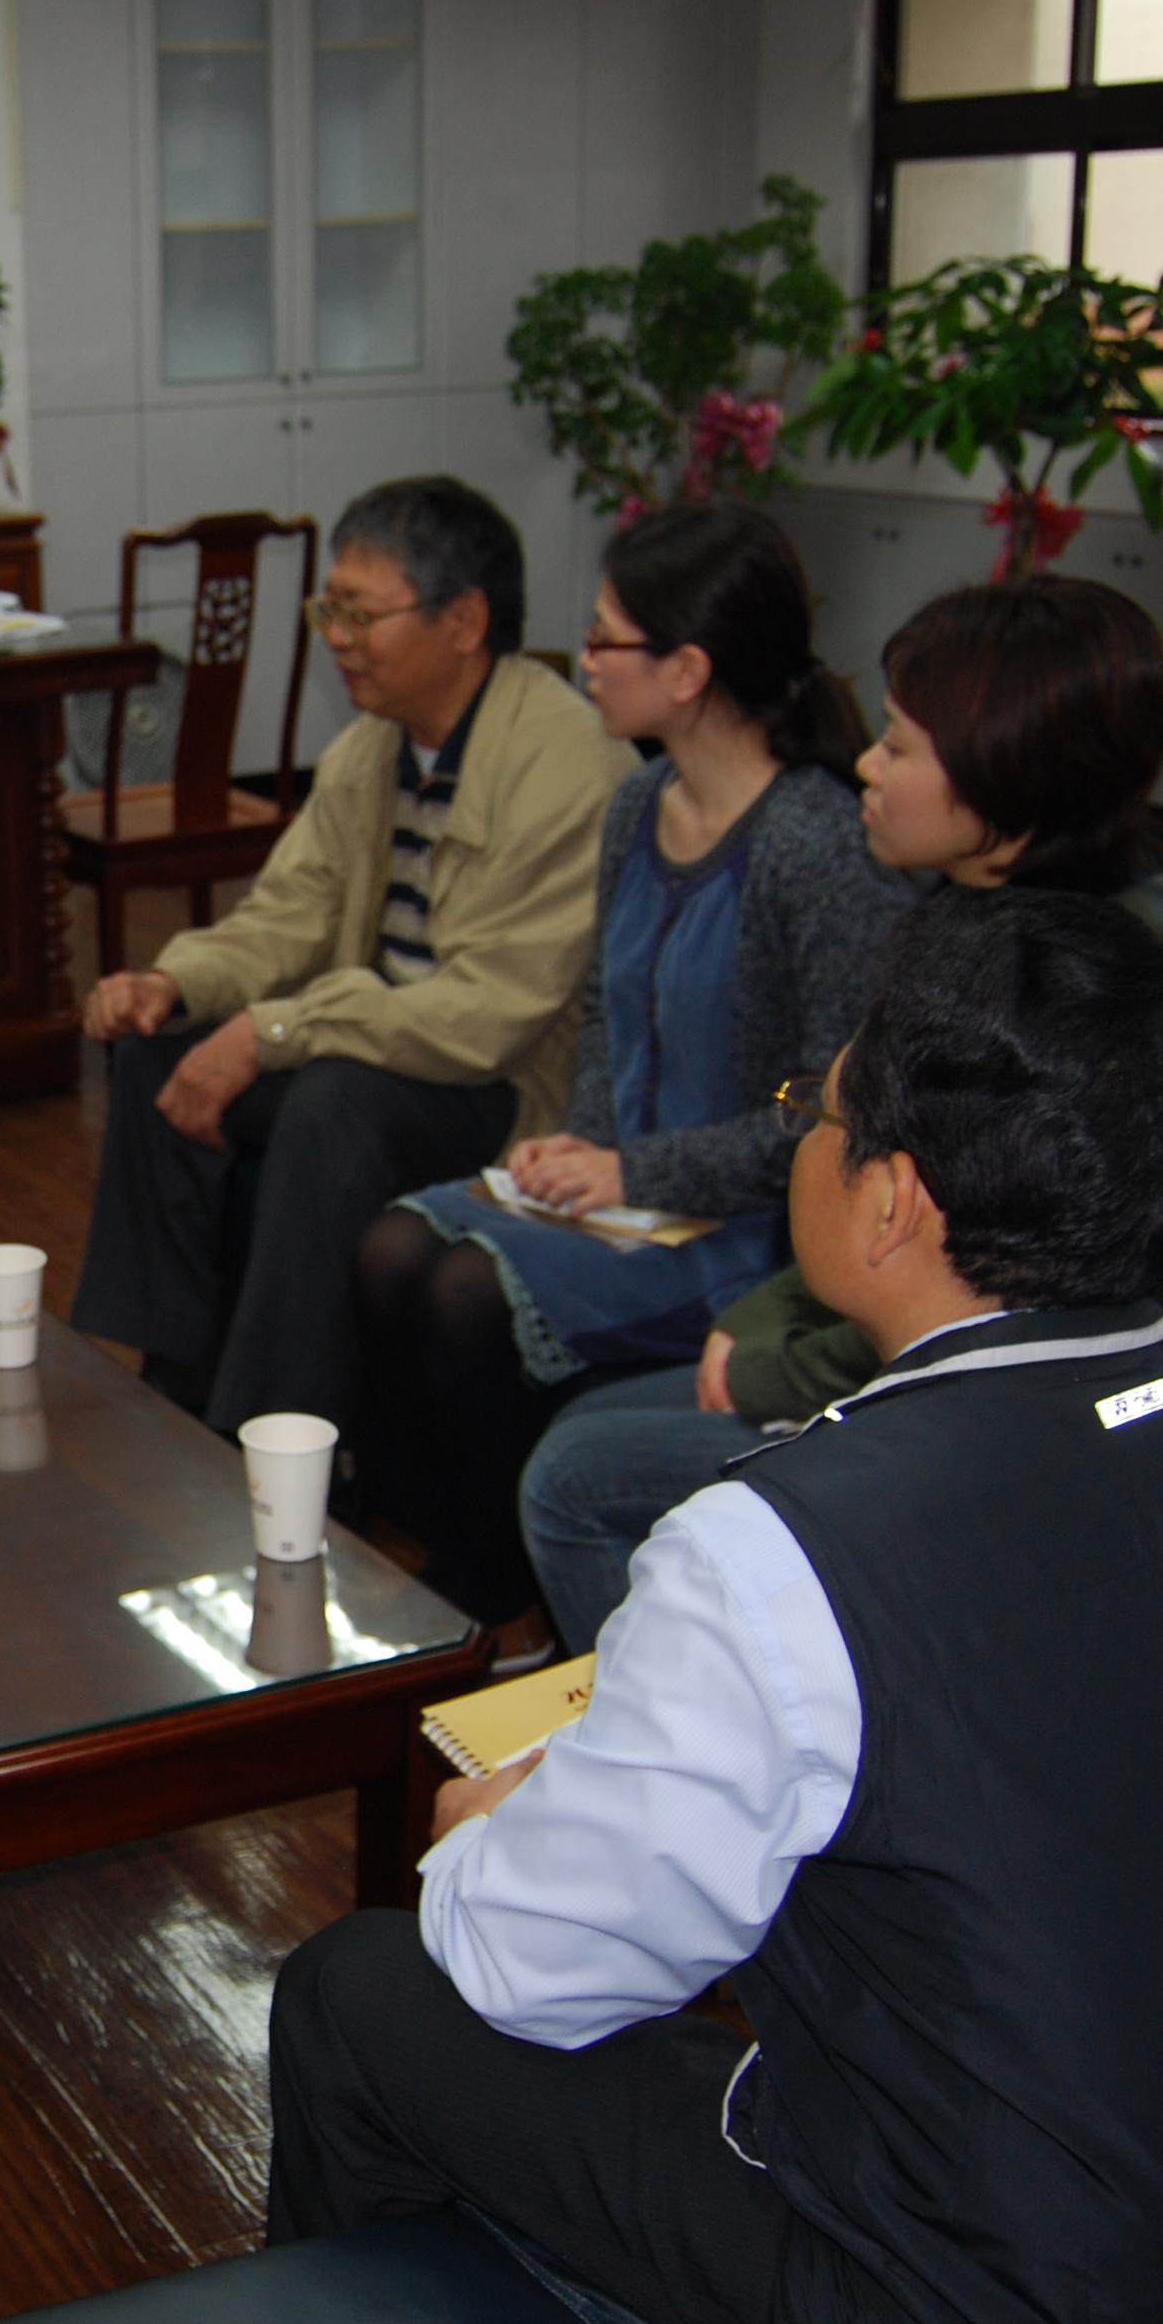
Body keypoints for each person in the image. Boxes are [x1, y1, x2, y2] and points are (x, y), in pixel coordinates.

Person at [265, 890, 1163, 2324]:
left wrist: (494, 1824)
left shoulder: (778, 1548)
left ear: (896, 1201)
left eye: (816, 1121)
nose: (803, 1152)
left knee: (370, 1990)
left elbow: (525, 1968)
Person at [512, 576, 1163, 1651]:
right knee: (587, 1434)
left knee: (576, 1478)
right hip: (927, 1364)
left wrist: (763, 1365)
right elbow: (862, 1198)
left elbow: (991, 1316)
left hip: (1037, 1426)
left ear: (1004, 780)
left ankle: (720, 1738)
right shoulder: (972, 933)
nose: (863, 763)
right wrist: (752, 1330)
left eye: (898, 747)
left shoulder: (1052, 1011)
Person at [347, 503, 913, 1621]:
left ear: (688, 669)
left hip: (744, 1228)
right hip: (633, 1199)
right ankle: (445, 1545)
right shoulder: (636, 806)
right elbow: (608, 1023)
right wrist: (581, 1147)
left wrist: (632, 1174)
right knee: (392, 1242)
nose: (583, 662)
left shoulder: (813, 842)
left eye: (605, 640)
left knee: (464, 1288)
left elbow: (820, 1118)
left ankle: (488, 1584)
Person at [65, 476, 632, 1431]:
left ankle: (276, 1434)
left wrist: (276, 1030)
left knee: (333, 1103)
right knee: (159, 1052)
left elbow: (488, 1015)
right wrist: (174, 980)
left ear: (463, 621)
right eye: (329, 609)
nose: (335, 636)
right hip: (379, 1038)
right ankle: (173, 1386)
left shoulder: (566, 762)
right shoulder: (373, 751)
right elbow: (288, 916)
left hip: (492, 1082)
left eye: (360, 614)